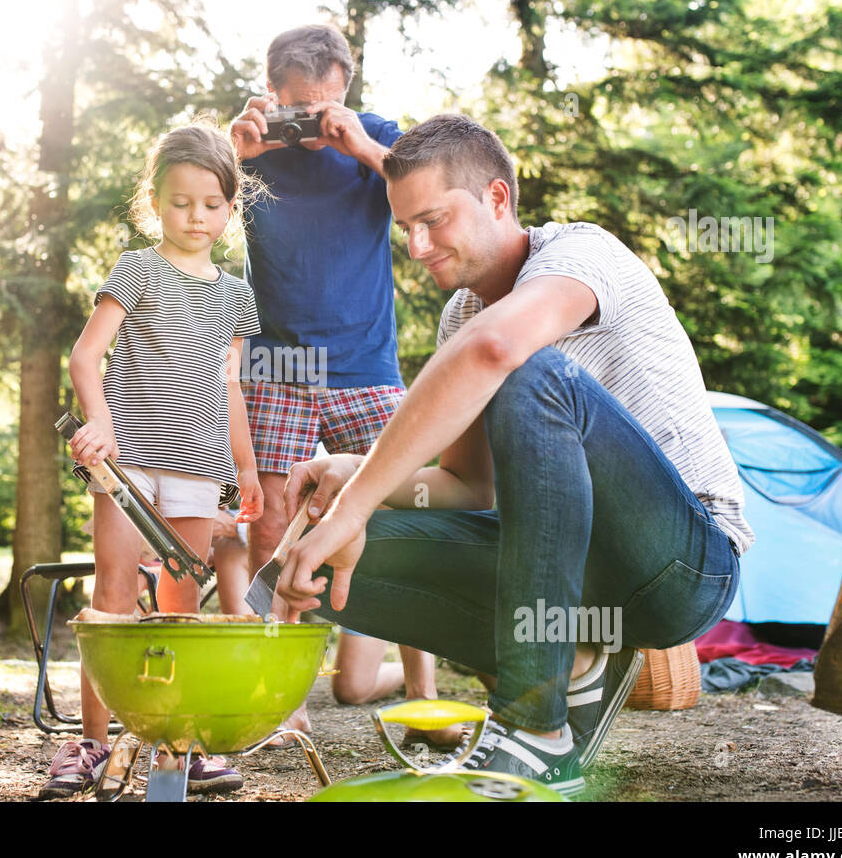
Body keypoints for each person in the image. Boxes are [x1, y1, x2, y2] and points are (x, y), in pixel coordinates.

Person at [275, 114, 754, 795]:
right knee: (313, 558)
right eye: (405, 228)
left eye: (433, 220)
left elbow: (498, 353)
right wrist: (355, 489)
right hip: (573, 576)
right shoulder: (461, 317)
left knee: (530, 372)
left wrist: (356, 503)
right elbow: (467, 486)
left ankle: (534, 726)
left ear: (497, 199)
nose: (416, 246)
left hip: (682, 564)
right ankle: (578, 664)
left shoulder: (581, 254)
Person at [229, 24, 457, 747]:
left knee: (408, 507)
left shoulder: (378, 138)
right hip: (278, 361)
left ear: (345, 88)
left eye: (323, 104)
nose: (310, 119)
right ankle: (282, 700)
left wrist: (356, 141)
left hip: (365, 359)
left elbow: (431, 192)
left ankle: (424, 695)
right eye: (298, 105)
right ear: (273, 93)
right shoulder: (253, 139)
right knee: (269, 520)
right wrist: (236, 151)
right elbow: (194, 204)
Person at [39, 122, 265, 799]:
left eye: (211, 203)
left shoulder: (235, 295)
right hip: (128, 464)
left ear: (231, 208)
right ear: (154, 202)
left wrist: (246, 468)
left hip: (199, 470)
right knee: (112, 600)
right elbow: (86, 357)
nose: (196, 217)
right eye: (180, 202)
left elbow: (228, 387)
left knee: (180, 608)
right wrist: (101, 422)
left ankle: (178, 747)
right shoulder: (136, 269)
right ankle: (90, 746)